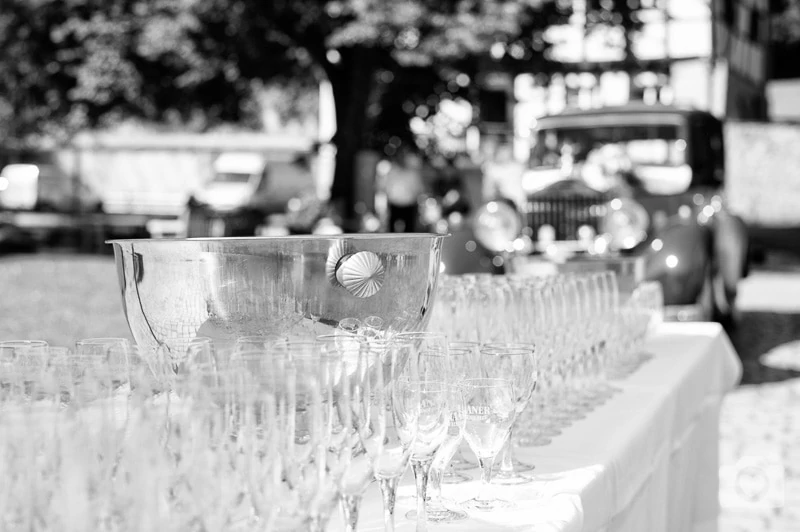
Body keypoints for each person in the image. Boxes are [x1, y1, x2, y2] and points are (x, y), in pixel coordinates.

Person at [383, 149, 426, 233]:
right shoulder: (392, 171)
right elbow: (385, 187)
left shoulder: (413, 173)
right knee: (392, 231)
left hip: (409, 206)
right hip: (394, 206)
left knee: (409, 230)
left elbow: (419, 189)